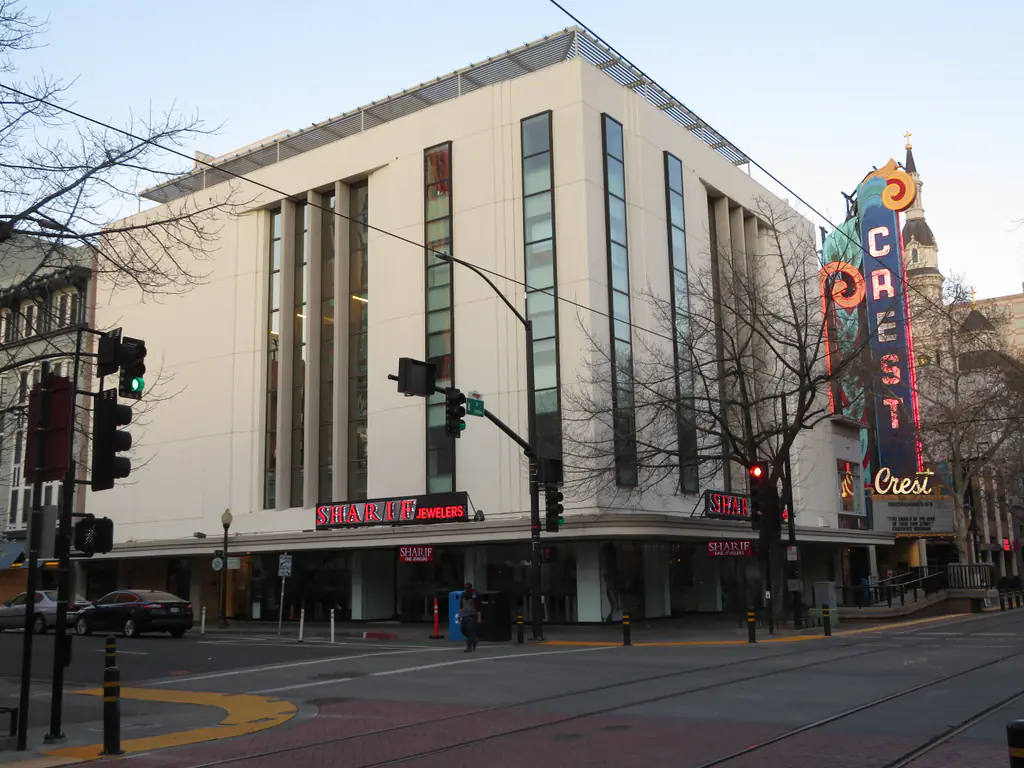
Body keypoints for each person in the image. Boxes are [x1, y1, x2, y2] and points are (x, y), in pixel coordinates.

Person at [458, 582, 480, 652]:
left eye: (468, 588)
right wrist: (459, 614)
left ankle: (469, 646)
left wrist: (479, 617)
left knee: (469, 629)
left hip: (472, 614)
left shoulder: (474, 594)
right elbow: (461, 606)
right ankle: (474, 639)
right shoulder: (463, 595)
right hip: (465, 615)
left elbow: (478, 606)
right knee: (463, 630)